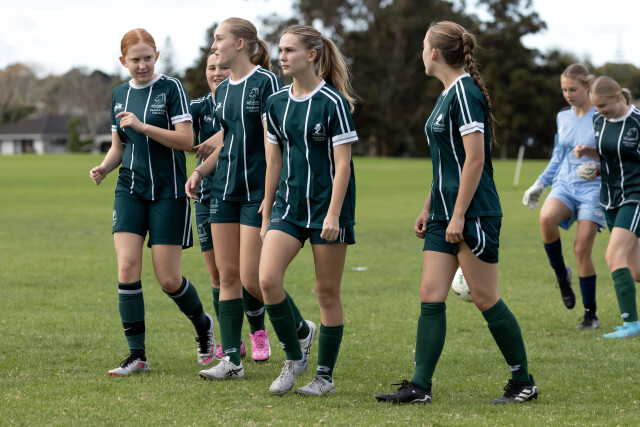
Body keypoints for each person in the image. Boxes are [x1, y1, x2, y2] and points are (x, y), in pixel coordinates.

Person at [375, 21, 538, 404]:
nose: (421, 52)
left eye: (423, 45)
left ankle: (523, 382)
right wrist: (429, 207)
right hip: (443, 214)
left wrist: (459, 214)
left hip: (473, 212)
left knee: (484, 297)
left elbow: (475, 159)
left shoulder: (465, 92)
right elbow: (445, 165)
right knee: (430, 294)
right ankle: (419, 386)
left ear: (434, 53)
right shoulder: (446, 94)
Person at [186, 18, 311, 380]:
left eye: (219, 39)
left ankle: (301, 330)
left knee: (254, 280)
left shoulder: (266, 82)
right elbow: (229, 139)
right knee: (228, 276)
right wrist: (200, 172)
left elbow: (277, 142)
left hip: (256, 194)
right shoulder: (223, 90)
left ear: (240, 44)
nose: (214, 46)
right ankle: (231, 362)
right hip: (223, 192)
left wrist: (273, 196)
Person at [89, 28, 215, 376]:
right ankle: (137, 355)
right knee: (127, 267)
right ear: (123, 61)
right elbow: (119, 145)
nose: (142, 65)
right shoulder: (119, 94)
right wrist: (105, 167)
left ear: (157, 56)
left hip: (168, 191)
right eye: (135, 60)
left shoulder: (171, 88)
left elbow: (186, 140)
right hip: (129, 187)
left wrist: (144, 127)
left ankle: (203, 324)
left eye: (148, 58)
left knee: (168, 278)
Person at [259, 24, 358, 396]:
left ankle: (324, 378)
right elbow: (273, 162)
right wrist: (266, 214)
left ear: (311, 55)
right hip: (288, 208)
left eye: (289, 50)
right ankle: (294, 357)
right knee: (267, 281)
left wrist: (333, 215)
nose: (281, 57)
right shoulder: (275, 103)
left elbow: (343, 165)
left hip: (328, 211)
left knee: (326, 292)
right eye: (280, 50)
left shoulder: (333, 102)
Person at [522, 64, 604, 329]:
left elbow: (612, 154)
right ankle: (561, 275)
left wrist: (597, 164)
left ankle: (590, 315)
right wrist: (540, 183)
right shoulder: (563, 117)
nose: (568, 94)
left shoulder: (601, 116)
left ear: (587, 86)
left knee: (581, 249)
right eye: (564, 90)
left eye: (573, 89)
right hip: (565, 184)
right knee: (546, 218)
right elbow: (558, 156)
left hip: (593, 188)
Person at [190, 51, 252, 360]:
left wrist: (219, 137)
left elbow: (243, 131)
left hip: (239, 196)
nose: (217, 73)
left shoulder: (243, 100)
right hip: (205, 198)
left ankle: (260, 332)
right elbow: (177, 131)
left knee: (248, 275)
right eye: (211, 67)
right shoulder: (198, 107)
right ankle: (232, 341)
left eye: (223, 67)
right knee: (218, 275)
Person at [575, 76, 640, 339]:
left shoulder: (637, 123)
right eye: (596, 106)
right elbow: (608, 154)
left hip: (634, 197)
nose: (599, 110)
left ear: (618, 97)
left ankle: (631, 324)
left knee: (614, 256)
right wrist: (589, 156)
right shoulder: (598, 120)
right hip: (609, 199)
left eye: (603, 105)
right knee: (636, 271)